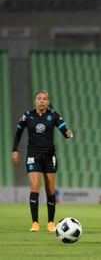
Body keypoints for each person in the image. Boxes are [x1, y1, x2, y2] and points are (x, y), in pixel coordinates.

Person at [11, 90, 73, 232]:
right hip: (33, 155)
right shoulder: (28, 116)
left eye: (44, 99)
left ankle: (50, 222)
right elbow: (18, 133)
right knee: (35, 188)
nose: (42, 101)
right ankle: (35, 223)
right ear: (35, 101)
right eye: (39, 98)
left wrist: (68, 133)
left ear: (48, 101)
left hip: (49, 156)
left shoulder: (54, 115)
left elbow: (64, 131)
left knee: (50, 190)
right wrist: (15, 150)